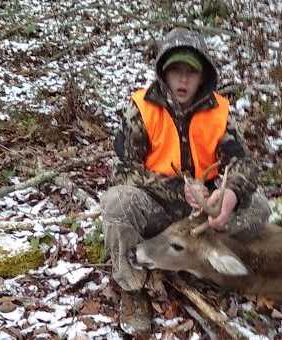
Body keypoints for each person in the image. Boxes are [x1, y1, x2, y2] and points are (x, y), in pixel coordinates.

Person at [101, 27, 270, 331]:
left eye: (190, 72)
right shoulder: (142, 108)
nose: (182, 80)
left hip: (202, 215)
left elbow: (243, 163)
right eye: (175, 70)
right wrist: (176, 189)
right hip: (157, 208)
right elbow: (122, 170)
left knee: (258, 207)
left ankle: (208, 266)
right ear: (163, 73)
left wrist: (229, 194)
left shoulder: (218, 112)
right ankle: (131, 287)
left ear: (202, 75)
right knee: (117, 202)